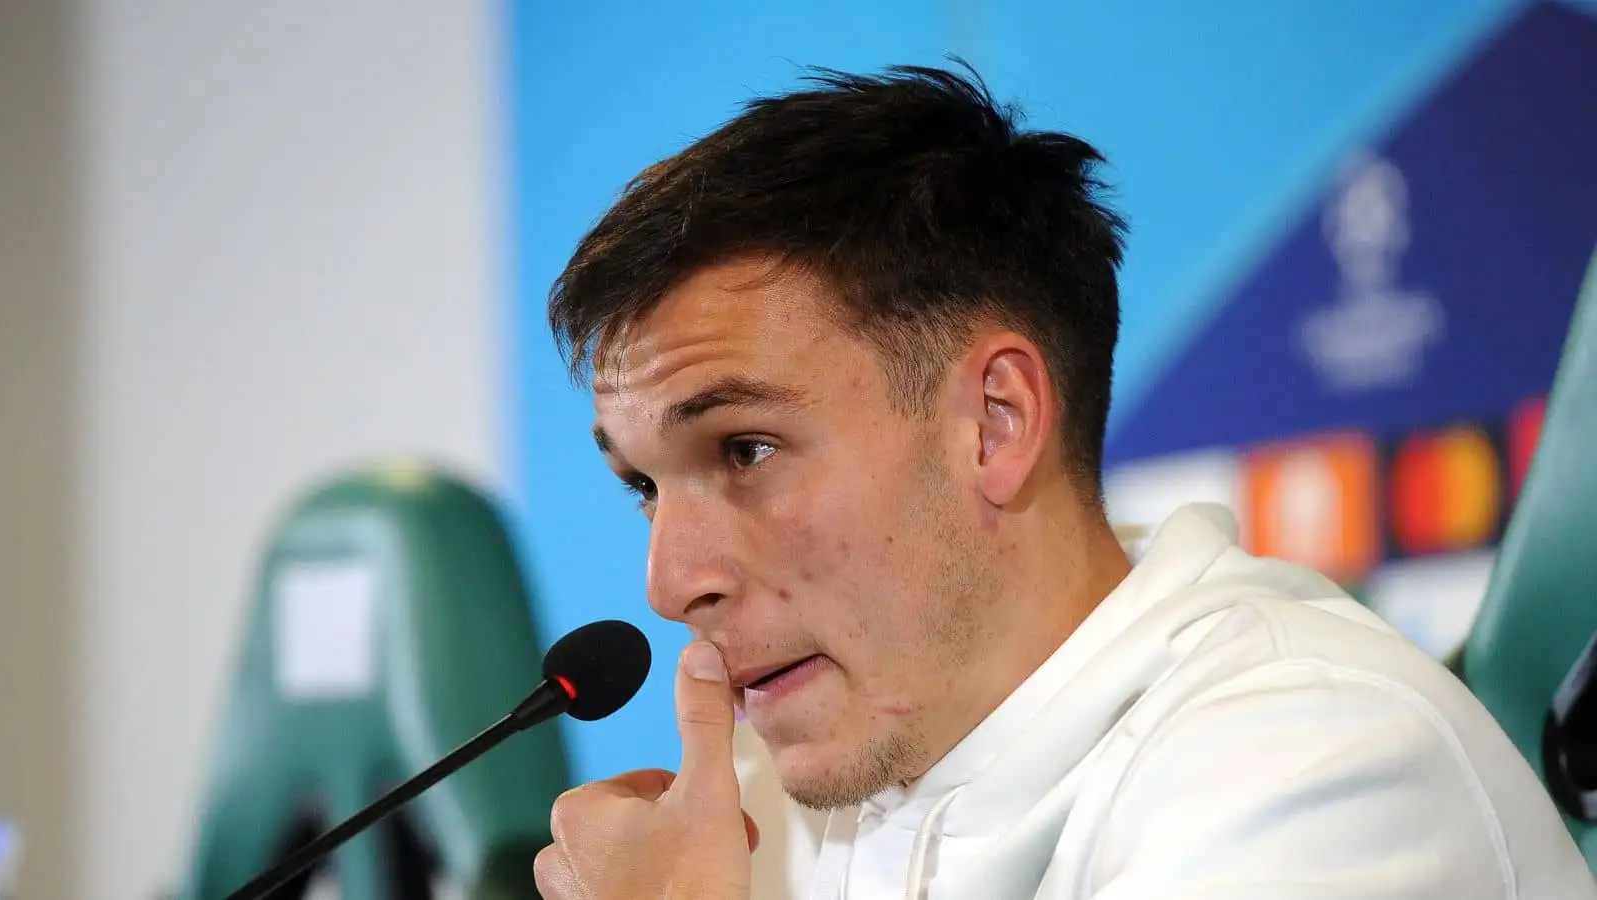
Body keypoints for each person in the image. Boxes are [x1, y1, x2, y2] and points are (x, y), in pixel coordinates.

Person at [529, 63, 1597, 899]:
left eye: (744, 451)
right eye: (643, 485)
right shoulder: (759, 819)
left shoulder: (1320, 767)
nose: (670, 583)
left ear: (994, 422)